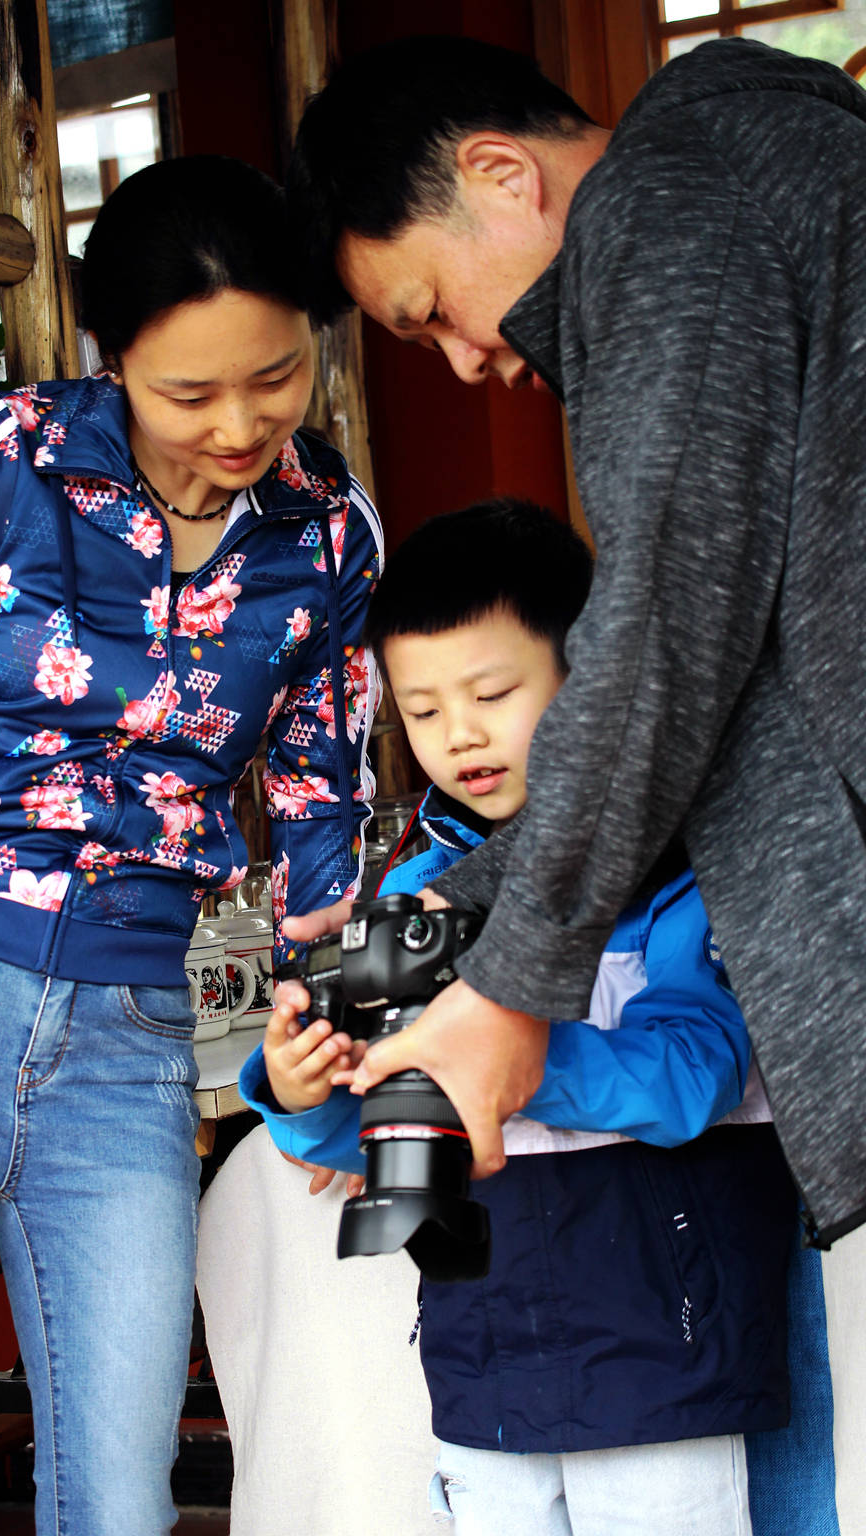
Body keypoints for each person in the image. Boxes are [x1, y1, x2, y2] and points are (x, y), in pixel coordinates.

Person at [0, 154, 382, 1536]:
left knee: (122, 1496)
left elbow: (327, 796)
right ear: (112, 360)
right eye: (188, 392)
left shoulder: (327, 534)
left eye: (273, 376)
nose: (240, 423)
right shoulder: (8, 455)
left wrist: (345, 1022)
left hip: (130, 1037)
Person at [282, 32, 866, 1252]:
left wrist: (504, 990)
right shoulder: (754, 171)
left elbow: (663, 631)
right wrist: (438, 913)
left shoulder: (670, 197)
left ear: (501, 172)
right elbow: (703, 671)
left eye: (432, 310)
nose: (466, 360)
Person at [240, 499, 796, 1535]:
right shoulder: (416, 896)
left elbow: (694, 1073)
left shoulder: (679, 879)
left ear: (588, 682)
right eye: (422, 709)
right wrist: (297, 1090)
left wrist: (504, 1058)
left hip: (663, 1359)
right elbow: (369, 1125)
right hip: (483, 1360)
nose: (460, 735)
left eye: (493, 692)